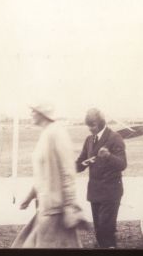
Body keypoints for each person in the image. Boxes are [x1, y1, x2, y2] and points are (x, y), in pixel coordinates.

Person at [12, 101, 86, 248]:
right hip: (46, 208)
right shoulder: (46, 134)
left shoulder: (57, 133)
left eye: (33, 110)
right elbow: (43, 175)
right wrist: (29, 197)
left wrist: (70, 206)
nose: (30, 114)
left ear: (43, 113)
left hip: (56, 211)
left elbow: (68, 172)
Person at [76, 108, 127, 248]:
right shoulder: (89, 140)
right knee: (99, 231)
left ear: (102, 123)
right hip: (95, 192)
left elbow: (123, 164)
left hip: (111, 193)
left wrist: (109, 156)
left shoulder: (115, 137)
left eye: (93, 125)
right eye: (88, 125)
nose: (90, 129)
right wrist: (67, 168)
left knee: (106, 231)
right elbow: (80, 163)